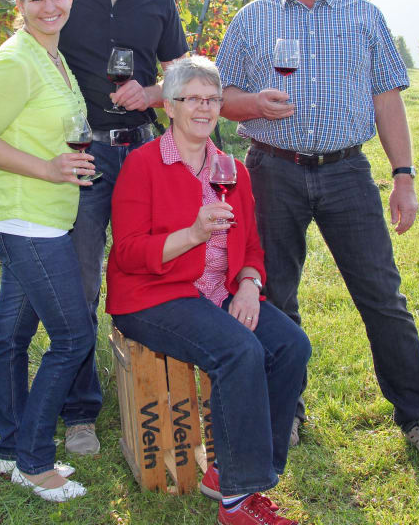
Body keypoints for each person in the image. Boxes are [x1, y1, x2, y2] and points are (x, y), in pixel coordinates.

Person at [215, 0, 419, 465]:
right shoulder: (253, 18)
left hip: (347, 173)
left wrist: (404, 175)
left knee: (382, 297)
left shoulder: (363, 16)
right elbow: (220, 95)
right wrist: (254, 105)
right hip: (272, 170)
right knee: (275, 297)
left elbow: (387, 99)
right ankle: (288, 408)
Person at [107, 56, 311, 525]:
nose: (204, 108)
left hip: (219, 292)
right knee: (240, 351)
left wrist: (248, 284)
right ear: (170, 108)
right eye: (192, 99)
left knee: (291, 346)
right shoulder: (143, 165)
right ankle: (237, 505)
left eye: (213, 99)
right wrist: (193, 235)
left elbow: (253, 247)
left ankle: (237, 473)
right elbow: (129, 255)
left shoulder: (231, 169)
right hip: (154, 295)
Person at [56, 0, 189, 455]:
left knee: (155, 271)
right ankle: (81, 410)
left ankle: (162, 390)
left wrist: (155, 93)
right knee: (80, 284)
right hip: (83, 155)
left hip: (141, 151)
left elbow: (181, 76)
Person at [0, 0, 98, 502]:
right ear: (18, 6)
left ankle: (10, 448)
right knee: (72, 336)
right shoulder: (15, 60)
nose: (48, 6)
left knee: (13, 339)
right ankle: (36, 462)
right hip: (26, 221)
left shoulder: (52, 58)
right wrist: (46, 168)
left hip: (43, 217)